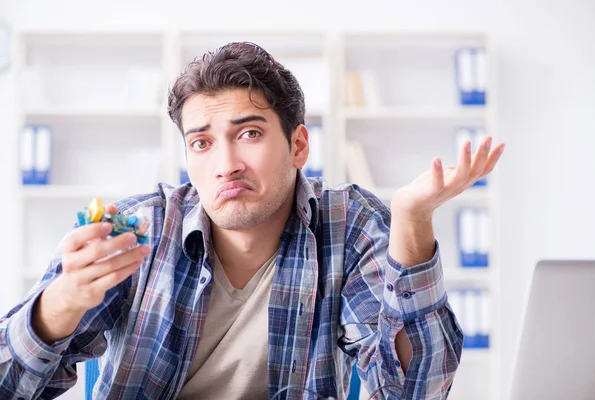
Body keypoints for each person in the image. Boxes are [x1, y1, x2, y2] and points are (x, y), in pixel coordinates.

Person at [0, 42, 504, 400]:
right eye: (202, 142)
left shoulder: (350, 225)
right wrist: (59, 306)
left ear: (299, 145)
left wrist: (412, 225)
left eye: (249, 134)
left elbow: (413, 391)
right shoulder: (139, 229)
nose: (226, 164)